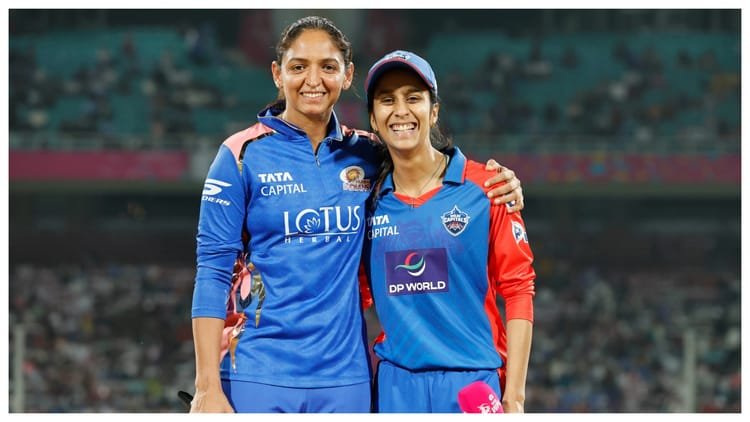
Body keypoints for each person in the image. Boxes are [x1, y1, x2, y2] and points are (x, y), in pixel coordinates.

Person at [190, 17, 526, 413]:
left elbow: (423, 160)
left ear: (347, 75)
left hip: (347, 378)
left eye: (327, 67)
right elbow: (212, 270)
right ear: (278, 74)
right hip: (258, 370)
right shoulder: (239, 155)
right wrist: (206, 385)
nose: (313, 80)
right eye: (298, 66)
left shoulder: (367, 153)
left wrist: (499, 181)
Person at [361, 50, 536, 413]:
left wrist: (515, 396)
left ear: (434, 111)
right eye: (387, 100)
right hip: (397, 385)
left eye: (413, 98)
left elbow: (519, 288)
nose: (401, 110)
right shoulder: (366, 202)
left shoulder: (488, 188)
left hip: (472, 384)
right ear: (373, 119)